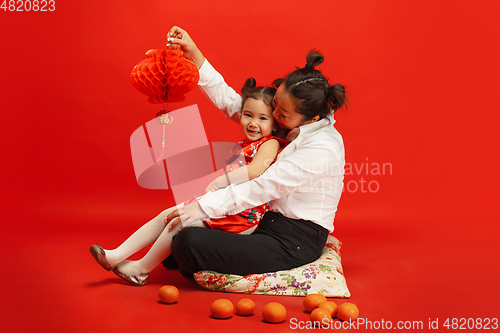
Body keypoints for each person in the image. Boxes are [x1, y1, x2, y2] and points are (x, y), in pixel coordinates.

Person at [164, 26, 348, 277]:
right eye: (275, 107)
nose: (273, 116)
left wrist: (205, 206)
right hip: (260, 221)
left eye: (281, 114)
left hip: (293, 239)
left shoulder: (323, 147)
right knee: (184, 235)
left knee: (189, 241)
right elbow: (235, 105)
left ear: (311, 117)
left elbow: (265, 185)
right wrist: (195, 55)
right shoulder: (291, 120)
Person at [90, 78, 286, 286]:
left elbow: (255, 170)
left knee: (180, 221)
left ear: (274, 122)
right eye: (248, 115)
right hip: (223, 204)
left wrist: (221, 181)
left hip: (243, 215)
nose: (253, 123)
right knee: (167, 214)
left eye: (262, 118)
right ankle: (115, 256)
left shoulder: (271, 143)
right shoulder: (243, 144)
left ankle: (141, 269)